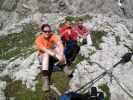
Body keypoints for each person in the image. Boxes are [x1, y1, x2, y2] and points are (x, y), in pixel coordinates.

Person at [35, 24, 66, 92]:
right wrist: (55, 55)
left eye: (49, 31)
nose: (47, 33)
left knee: (58, 48)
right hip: (42, 56)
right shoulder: (38, 39)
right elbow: (44, 50)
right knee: (46, 54)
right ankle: (46, 80)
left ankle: (64, 66)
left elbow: (60, 44)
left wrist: (61, 54)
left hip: (51, 54)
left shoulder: (52, 36)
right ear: (42, 31)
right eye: (45, 31)